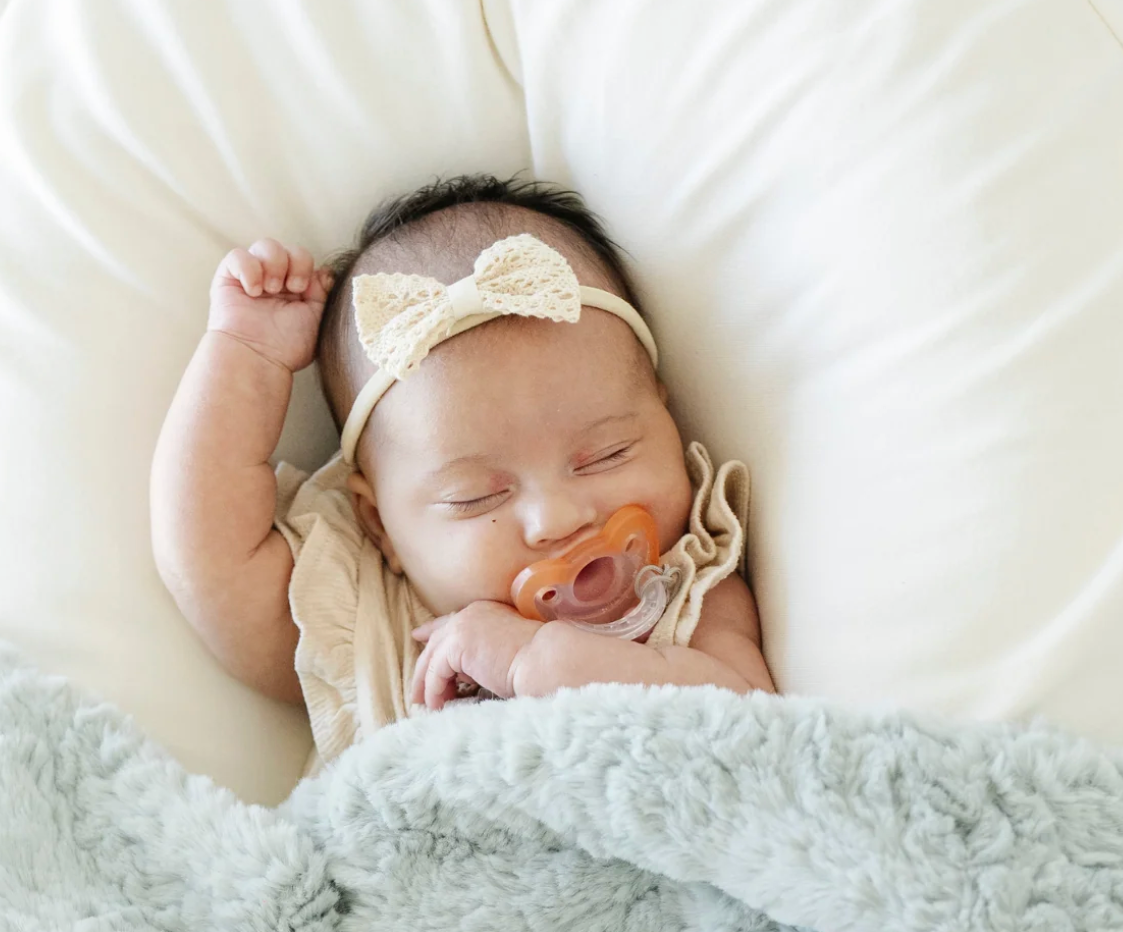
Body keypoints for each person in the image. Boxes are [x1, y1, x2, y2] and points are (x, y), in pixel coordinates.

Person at [151, 175, 773, 769]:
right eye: (477, 497)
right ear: (381, 527)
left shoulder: (693, 587)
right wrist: (247, 355)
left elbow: (751, 727)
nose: (558, 518)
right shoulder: (370, 613)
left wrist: (532, 660)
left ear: (666, 417)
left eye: (607, 454)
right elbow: (210, 560)